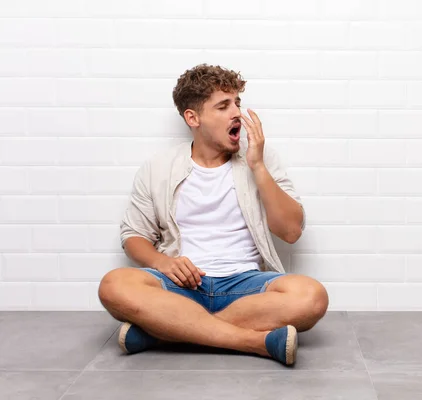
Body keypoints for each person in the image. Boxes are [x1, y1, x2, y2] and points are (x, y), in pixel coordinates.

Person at [98, 64, 329, 366]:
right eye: (223, 106)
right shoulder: (159, 167)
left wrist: (257, 167)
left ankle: (165, 332)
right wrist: (163, 262)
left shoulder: (260, 158)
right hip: (181, 287)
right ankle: (253, 342)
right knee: (113, 285)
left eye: (237, 103)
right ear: (192, 118)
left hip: (245, 286)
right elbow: (133, 236)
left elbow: (291, 231)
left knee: (312, 296)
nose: (237, 113)